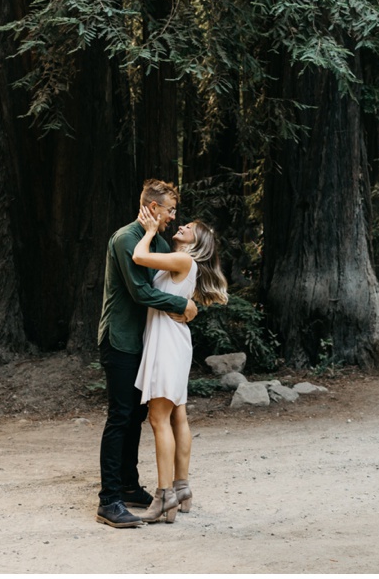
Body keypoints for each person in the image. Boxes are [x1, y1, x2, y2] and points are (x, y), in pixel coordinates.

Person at [95, 179, 196, 529]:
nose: (172, 216)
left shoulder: (160, 242)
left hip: (144, 344)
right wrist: (183, 305)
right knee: (121, 416)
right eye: (169, 210)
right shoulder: (125, 239)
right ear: (153, 208)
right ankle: (109, 500)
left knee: (136, 416)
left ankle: (127, 485)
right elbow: (139, 293)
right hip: (120, 339)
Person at [129, 210, 229, 523]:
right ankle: (181, 487)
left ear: (196, 242)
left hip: (167, 341)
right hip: (175, 338)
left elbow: (138, 257)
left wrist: (147, 230)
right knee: (178, 416)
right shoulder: (184, 262)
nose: (182, 225)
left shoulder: (184, 260)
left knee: (159, 418)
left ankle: (164, 495)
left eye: (190, 228)